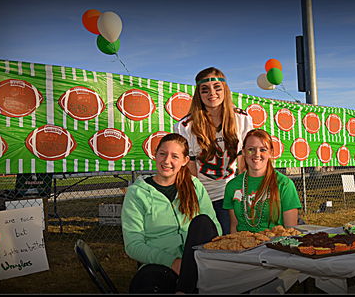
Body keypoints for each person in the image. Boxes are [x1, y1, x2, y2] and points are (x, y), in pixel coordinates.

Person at [121, 133, 222, 294]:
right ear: (155, 155)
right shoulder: (137, 193)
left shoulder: (195, 186)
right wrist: (172, 262)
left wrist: (189, 263)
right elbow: (133, 245)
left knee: (202, 221)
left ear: (184, 161)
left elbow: (214, 227)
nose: (167, 161)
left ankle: (183, 288)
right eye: (162, 154)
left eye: (175, 156)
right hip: (159, 266)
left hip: (197, 264)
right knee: (146, 284)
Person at [175, 67, 253, 235]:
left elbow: (244, 161)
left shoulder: (242, 118)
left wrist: (244, 194)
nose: (212, 93)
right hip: (203, 194)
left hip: (232, 192)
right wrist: (197, 199)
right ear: (198, 94)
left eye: (217, 88)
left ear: (225, 89)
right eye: (205, 90)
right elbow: (190, 168)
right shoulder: (185, 126)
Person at [223, 129, 302, 233]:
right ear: (243, 152)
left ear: (271, 153)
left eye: (263, 150)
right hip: (243, 246)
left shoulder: (284, 184)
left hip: (274, 246)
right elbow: (234, 226)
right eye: (251, 149)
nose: (257, 154)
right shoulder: (232, 186)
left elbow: (291, 231)